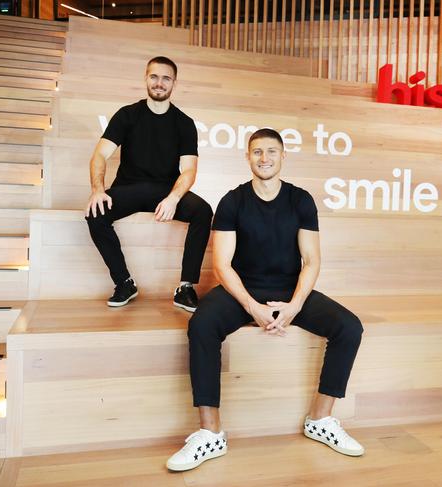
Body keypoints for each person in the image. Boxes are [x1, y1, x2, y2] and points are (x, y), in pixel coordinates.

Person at [166, 128, 364, 472]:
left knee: (349, 326)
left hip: (290, 290)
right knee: (202, 323)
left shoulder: (301, 200)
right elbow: (222, 265)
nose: (265, 158)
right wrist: (251, 307)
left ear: (283, 156)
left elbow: (312, 261)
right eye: (257, 152)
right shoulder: (233, 201)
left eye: (272, 151)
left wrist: (295, 306)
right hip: (242, 288)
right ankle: (210, 432)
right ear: (247, 157)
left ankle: (320, 419)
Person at [85, 56, 212, 310]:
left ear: (174, 83)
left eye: (166, 78)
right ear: (146, 78)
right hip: (128, 189)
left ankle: (186, 287)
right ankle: (124, 282)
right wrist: (97, 190)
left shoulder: (184, 123)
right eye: (154, 76)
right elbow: (99, 154)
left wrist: (174, 198)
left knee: (203, 211)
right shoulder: (127, 115)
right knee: (94, 213)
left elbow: (189, 170)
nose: (159, 83)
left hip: (165, 191)